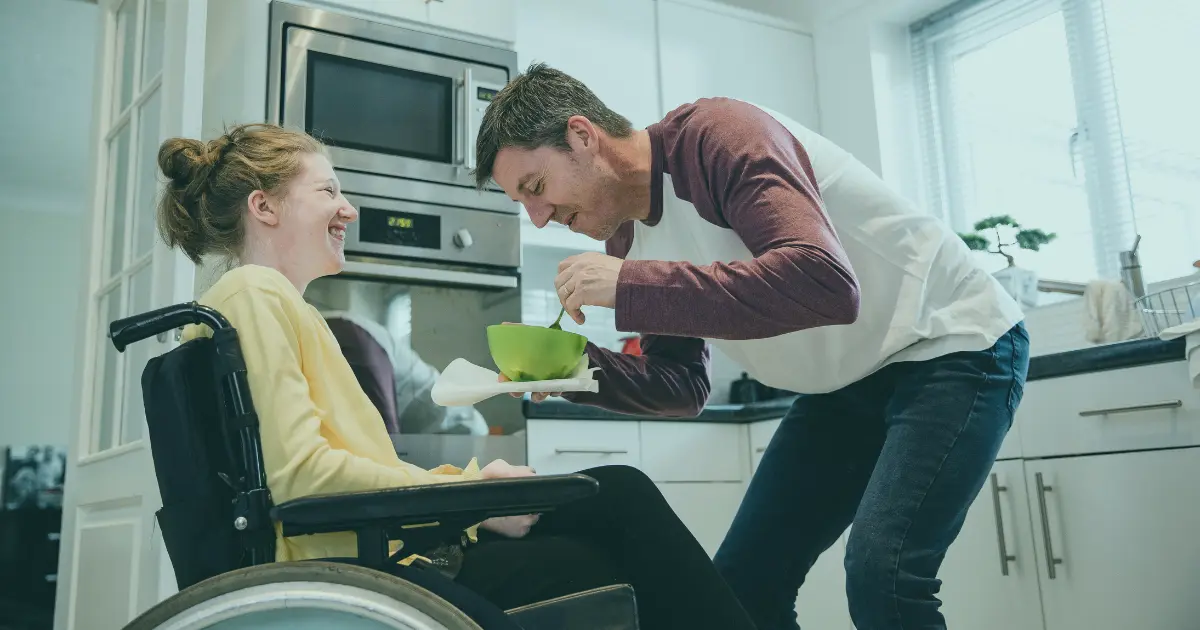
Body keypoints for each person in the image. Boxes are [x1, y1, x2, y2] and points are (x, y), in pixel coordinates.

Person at [474, 63, 1031, 630]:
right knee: (744, 590)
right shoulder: (628, 236)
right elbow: (683, 385)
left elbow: (824, 285)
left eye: (536, 189)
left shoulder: (718, 138)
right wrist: (571, 370)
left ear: (582, 136)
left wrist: (633, 285)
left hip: (950, 343)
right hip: (843, 386)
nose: (538, 220)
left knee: (882, 574)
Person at [158, 123, 758, 630]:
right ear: (263, 206)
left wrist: (468, 492)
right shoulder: (255, 293)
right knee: (619, 503)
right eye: (327, 190)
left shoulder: (272, 305)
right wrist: (469, 500)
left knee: (616, 501)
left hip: (377, 549)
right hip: (361, 569)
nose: (349, 208)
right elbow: (305, 482)